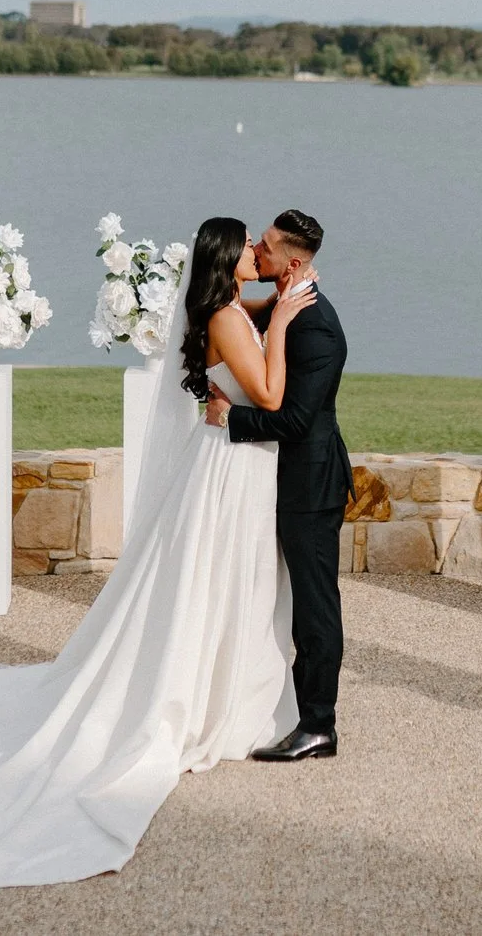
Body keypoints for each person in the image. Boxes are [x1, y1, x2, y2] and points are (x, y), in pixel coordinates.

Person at [0, 210, 330, 888]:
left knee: (231, 585)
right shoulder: (232, 316)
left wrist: (273, 300)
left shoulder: (225, 304)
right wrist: (283, 321)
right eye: (252, 247)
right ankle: (205, 698)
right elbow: (272, 391)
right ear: (230, 262)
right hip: (231, 469)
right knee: (225, 583)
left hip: (232, 461)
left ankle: (220, 683)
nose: (263, 252)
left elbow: (237, 326)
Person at [209, 208, 351, 762]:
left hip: (311, 486)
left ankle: (318, 726)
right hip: (284, 481)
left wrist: (230, 419)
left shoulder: (316, 326)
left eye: (265, 248)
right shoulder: (286, 305)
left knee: (316, 608)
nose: (256, 253)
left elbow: (294, 420)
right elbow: (236, 317)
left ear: (292, 263)